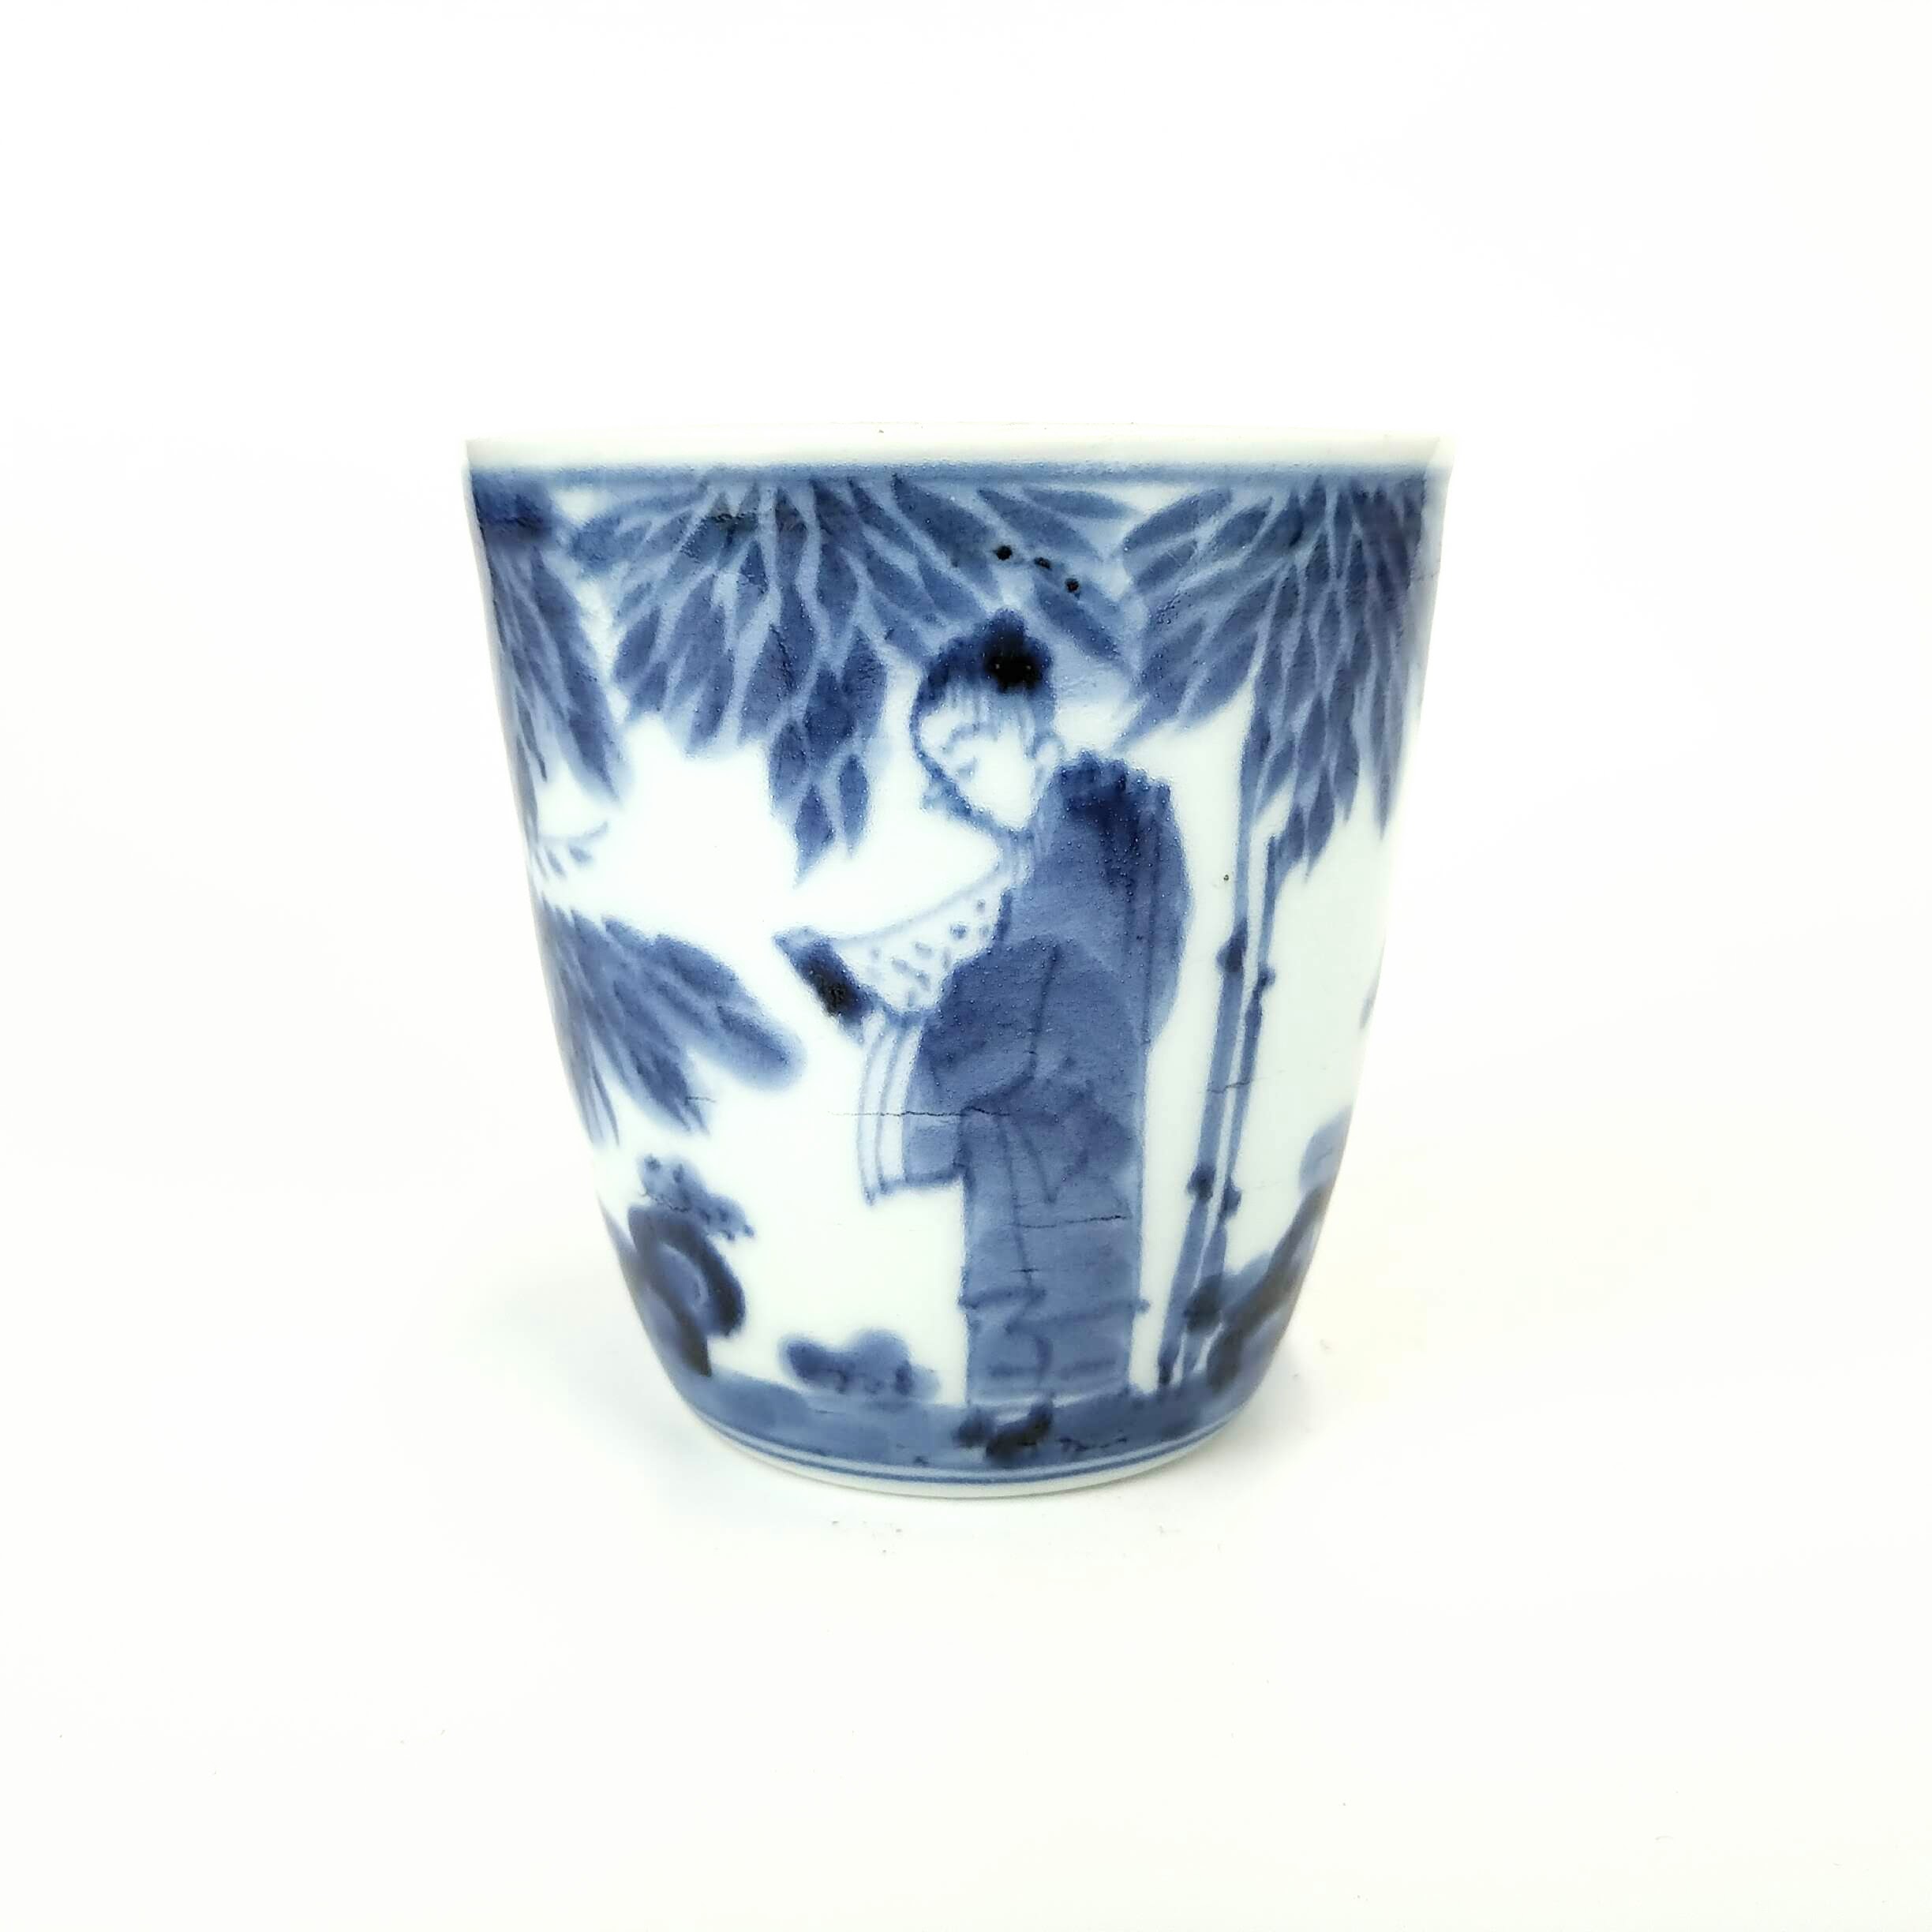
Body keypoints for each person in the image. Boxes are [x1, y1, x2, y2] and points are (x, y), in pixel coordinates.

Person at [788, 612, 1191, 1415]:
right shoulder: (1083, 839)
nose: (964, 794)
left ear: (1037, 738)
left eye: (968, 763)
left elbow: (1035, 1002)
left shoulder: (1090, 838)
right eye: (950, 776)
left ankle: (1039, 1424)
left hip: (1060, 1145)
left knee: (1038, 1328)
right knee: (1041, 1311)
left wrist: (860, 1007)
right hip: (1056, 1141)